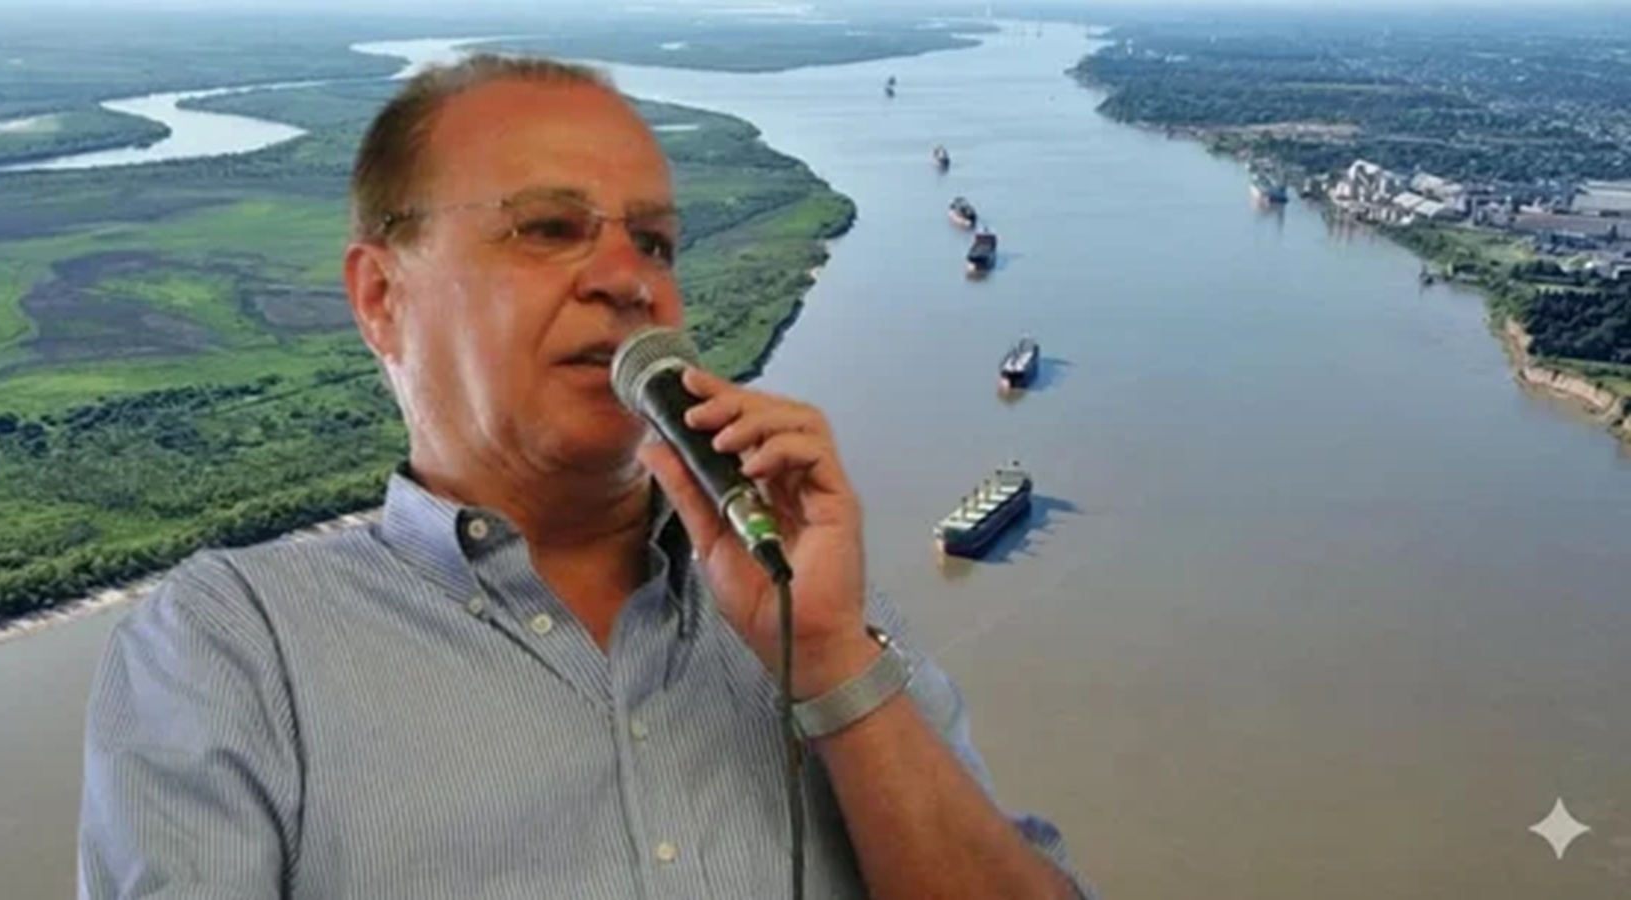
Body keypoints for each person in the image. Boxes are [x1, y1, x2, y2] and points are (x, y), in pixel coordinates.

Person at [76, 52, 1094, 900]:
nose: (628, 279)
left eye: (655, 242)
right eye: (548, 228)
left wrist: (830, 662)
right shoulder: (235, 646)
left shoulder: (809, 598)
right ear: (383, 299)